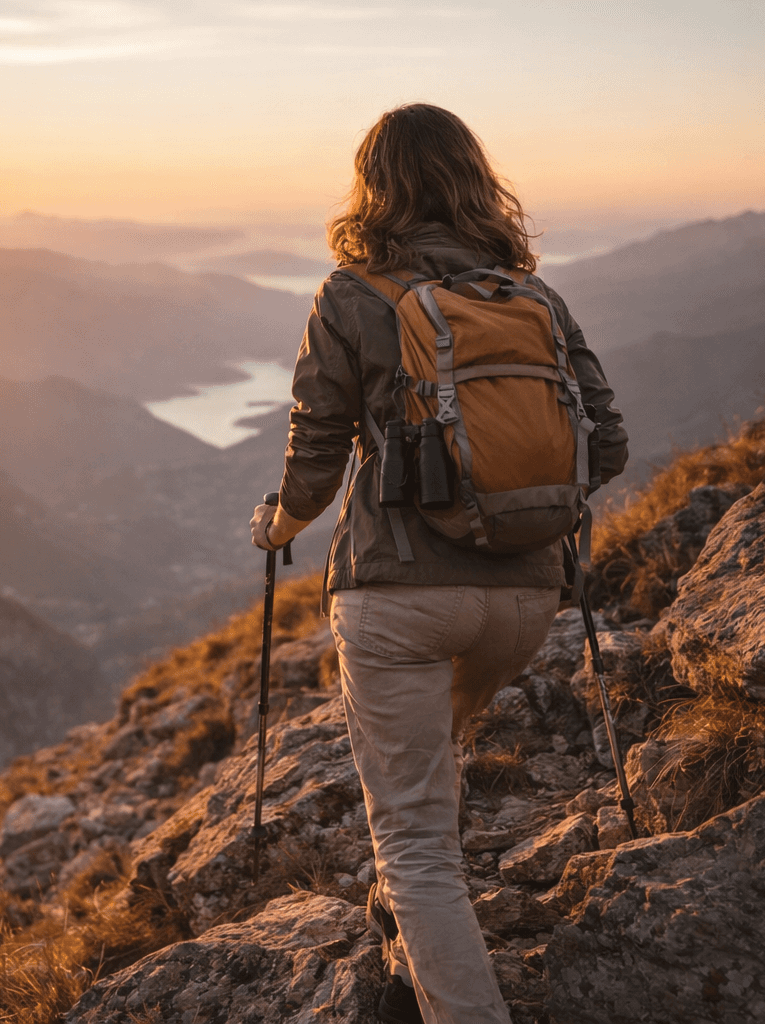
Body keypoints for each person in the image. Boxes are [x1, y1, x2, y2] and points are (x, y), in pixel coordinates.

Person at [248, 103, 628, 1024]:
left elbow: (319, 445)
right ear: (473, 177)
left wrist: (279, 524)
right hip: (526, 599)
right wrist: (520, 504)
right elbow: (606, 443)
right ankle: (409, 925)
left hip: (399, 598)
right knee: (437, 753)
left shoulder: (351, 293)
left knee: (415, 847)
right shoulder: (532, 297)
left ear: (374, 186)